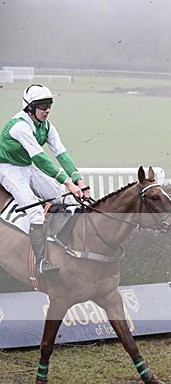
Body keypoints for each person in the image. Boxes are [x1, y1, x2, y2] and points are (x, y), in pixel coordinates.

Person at [0, 84, 91, 277]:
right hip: (8, 168)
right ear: (30, 108)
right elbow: (40, 158)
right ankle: (40, 263)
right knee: (35, 213)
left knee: (66, 199)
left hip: (27, 167)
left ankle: (66, 246)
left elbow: (61, 153)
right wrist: (68, 182)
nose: (47, 110)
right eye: (42, 106)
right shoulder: (19, 127)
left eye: (49, 105)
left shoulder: (47, 126)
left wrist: (79, 180)